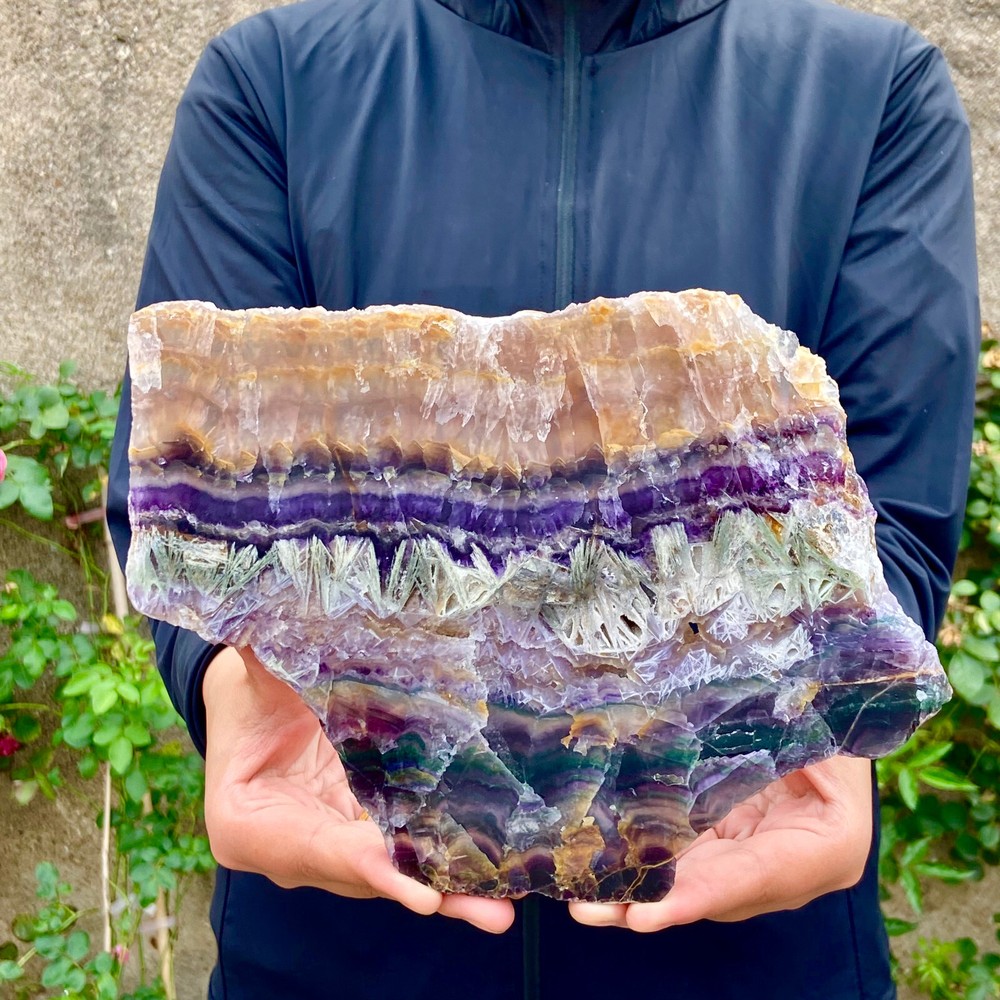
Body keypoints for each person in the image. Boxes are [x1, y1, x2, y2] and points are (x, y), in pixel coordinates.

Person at [107, 1, 980, 997]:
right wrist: (228, 680)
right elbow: (189, 497)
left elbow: (899, 513)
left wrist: (824, 700)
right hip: (341, 953)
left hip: (747, 949)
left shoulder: (872, 92)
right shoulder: (271, 83)